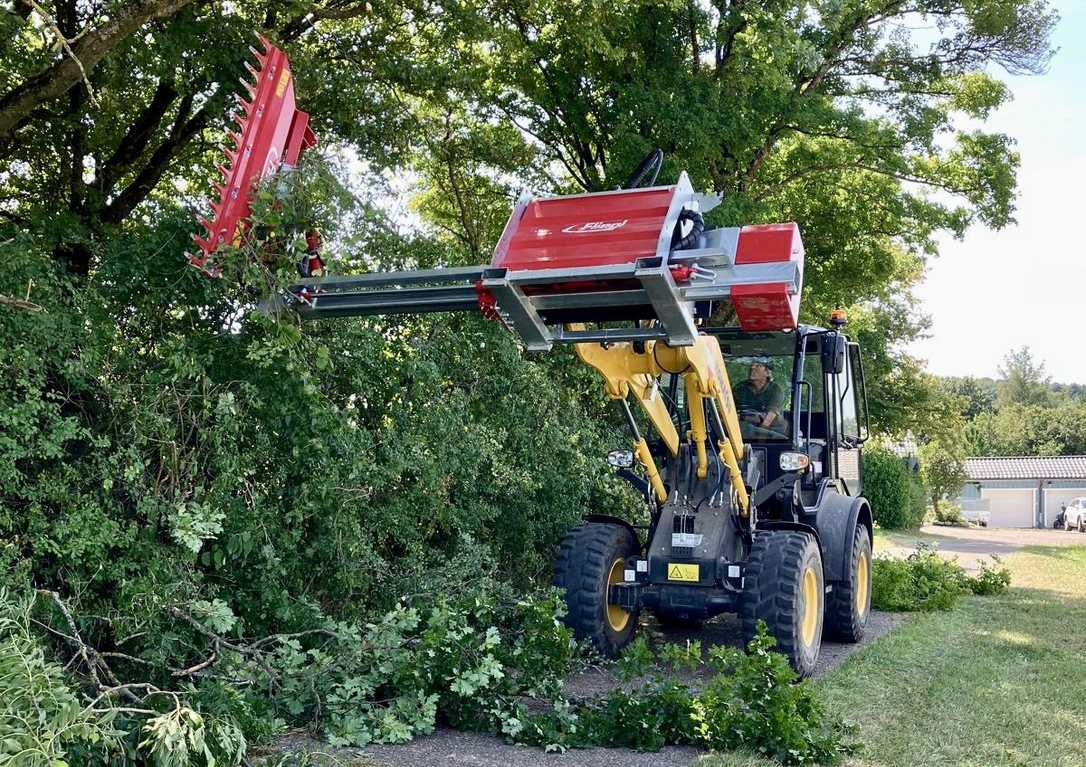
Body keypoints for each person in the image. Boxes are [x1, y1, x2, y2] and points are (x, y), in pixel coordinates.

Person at [732, 358, 786, 431]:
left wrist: (758, 434)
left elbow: (768, 419)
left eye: (758, 365)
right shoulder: (739, 388)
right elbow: (729, 408)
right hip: (740, 429)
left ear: (767, 372)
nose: (752, 367)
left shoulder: (775, 390)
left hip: (768, 432)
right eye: (751, 365)